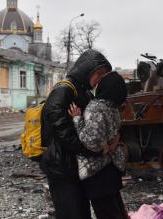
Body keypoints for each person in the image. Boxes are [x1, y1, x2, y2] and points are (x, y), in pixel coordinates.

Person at [40, 49, 115, 219]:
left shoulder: (84, 91)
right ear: (87, 70)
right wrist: (89, 148)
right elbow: (60, 126)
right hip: (61, 165)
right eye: (99, 74)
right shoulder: (64, 90)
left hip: (73, 164)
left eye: (104, 75)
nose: (100, 79)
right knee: (70, 212)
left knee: (80, 211)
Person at [69, 71, 129, 219]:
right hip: (111, 167)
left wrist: (77, 119)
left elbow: (92, 143)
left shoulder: (96, 107)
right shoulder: (113, 108)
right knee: (117, 210)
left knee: (107, 213)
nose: (96, 84)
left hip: (97, 171)